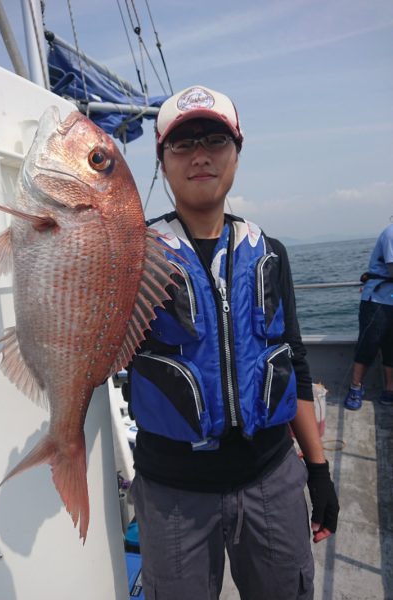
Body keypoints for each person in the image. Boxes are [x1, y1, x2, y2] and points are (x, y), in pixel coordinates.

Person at [125, 85, 339, 600]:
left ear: (237, 152)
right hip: (171, 491)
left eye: (215, 139)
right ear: (162, 160)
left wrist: (318, 470)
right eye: (182, 144)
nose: (200, 154)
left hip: (271, 478)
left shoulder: (270, 251)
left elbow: (294, 363)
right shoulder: (133, 256)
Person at [344, 223, 393, 410]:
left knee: (391, 348)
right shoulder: (391, 234)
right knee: (368, 344)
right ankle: (355, 388)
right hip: (377, 301)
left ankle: (389, 389)